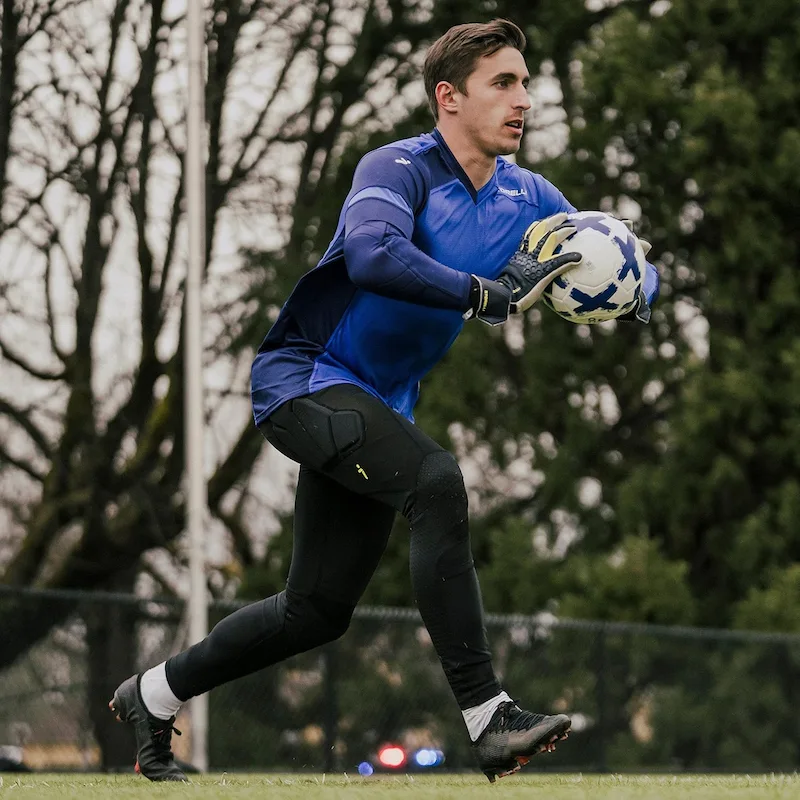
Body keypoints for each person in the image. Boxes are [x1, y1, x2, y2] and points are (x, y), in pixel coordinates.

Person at [110, 18, 659, 783]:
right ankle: (487, 714)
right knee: (436, 484)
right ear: (448, 97)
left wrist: (636, 282)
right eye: (503, 83)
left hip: (377, 405)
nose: (523, 99)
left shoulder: (528, 194)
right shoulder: (398, 166)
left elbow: (591, 247)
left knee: (317, 610)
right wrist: (480, 294)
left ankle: (153, 694)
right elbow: (371, 254)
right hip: (304, 379)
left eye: (525, 83)